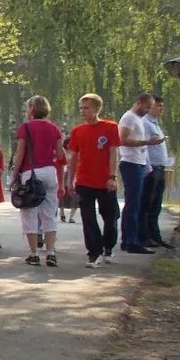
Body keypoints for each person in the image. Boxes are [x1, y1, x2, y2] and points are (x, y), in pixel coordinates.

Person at [65, 94, 122, 266]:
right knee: (88, 217)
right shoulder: (77, 131)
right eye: (81, 108)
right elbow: (73, 157)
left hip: (105, 181)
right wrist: (70, 179)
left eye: (86, 108)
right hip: (84, 180)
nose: (83, 111)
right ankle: (93, 252)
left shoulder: (110, 127)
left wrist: (112, 177)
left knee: (109, 216)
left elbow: (114, 153)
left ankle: (108, 248)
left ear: (97, 109)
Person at [10, 96, 63, 267]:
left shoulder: (25, 128)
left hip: (31, 172)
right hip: (50, 171)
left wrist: (14, 174)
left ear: (32, 109)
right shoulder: (54, 128)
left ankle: (33, 254)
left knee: (29, 213)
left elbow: (20, 153)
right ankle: (51, 252)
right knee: (49, 212)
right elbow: (60, 154)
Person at [116, 93, 163, 254]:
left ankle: (130, 239)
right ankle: (130, 240)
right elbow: (122, 139)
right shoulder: (129, 118)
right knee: (133, 204)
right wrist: (147, 142)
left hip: (139, 163)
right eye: (147, 107)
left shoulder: (137, 119)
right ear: (138, 103)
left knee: (136, 203)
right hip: (131, 163)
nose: (148, 110)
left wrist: (147, 165)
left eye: (150, 107)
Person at [143, 96, 174, 248]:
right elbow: (144, 147)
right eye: (158, 106)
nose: (161, 109)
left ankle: (155, 235)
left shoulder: (155, 124)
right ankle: (145, 235)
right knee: (147, 203)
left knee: (156, 204)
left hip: (160, 167)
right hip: (151, 168)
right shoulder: (145, 123)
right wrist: (148, 167)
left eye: (162, 106)